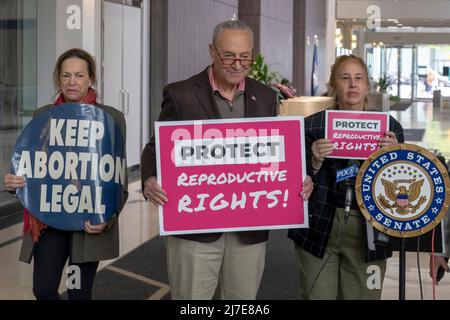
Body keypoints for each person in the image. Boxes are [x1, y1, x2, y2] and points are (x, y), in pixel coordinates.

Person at [141, 19, 313, 300]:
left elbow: (275, 154)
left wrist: (298, 177)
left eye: (245, 56)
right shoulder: (181, 94)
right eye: (229, 55)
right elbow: (155, 148)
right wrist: (149, 179)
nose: (237, 64)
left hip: (249, 230)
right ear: (212, 51)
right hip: (195, 230)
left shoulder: (266, 96)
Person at [3, 48, 128, 300]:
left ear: (91, 78)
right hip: (50, 222)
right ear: (58, 79)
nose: (72, 82)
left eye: (79, 75)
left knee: (77, 292)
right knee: (44, 289)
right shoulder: (42, 117)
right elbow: (31, 168)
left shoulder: (110, 117)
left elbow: (117, 178)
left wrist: (109, 218)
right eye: (66, 75)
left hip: (87, 226)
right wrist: (15, 182)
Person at [288, 54, 404, 300]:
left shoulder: (390, 129)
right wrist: (314, 162)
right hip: (319, 225)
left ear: (367, 85)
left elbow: (399, 186)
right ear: (334, 85)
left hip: (370, 229)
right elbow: (290, 181)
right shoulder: (311, 126)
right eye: (345, 78)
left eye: (358, 78)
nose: (352, 84)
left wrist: (393, 157)